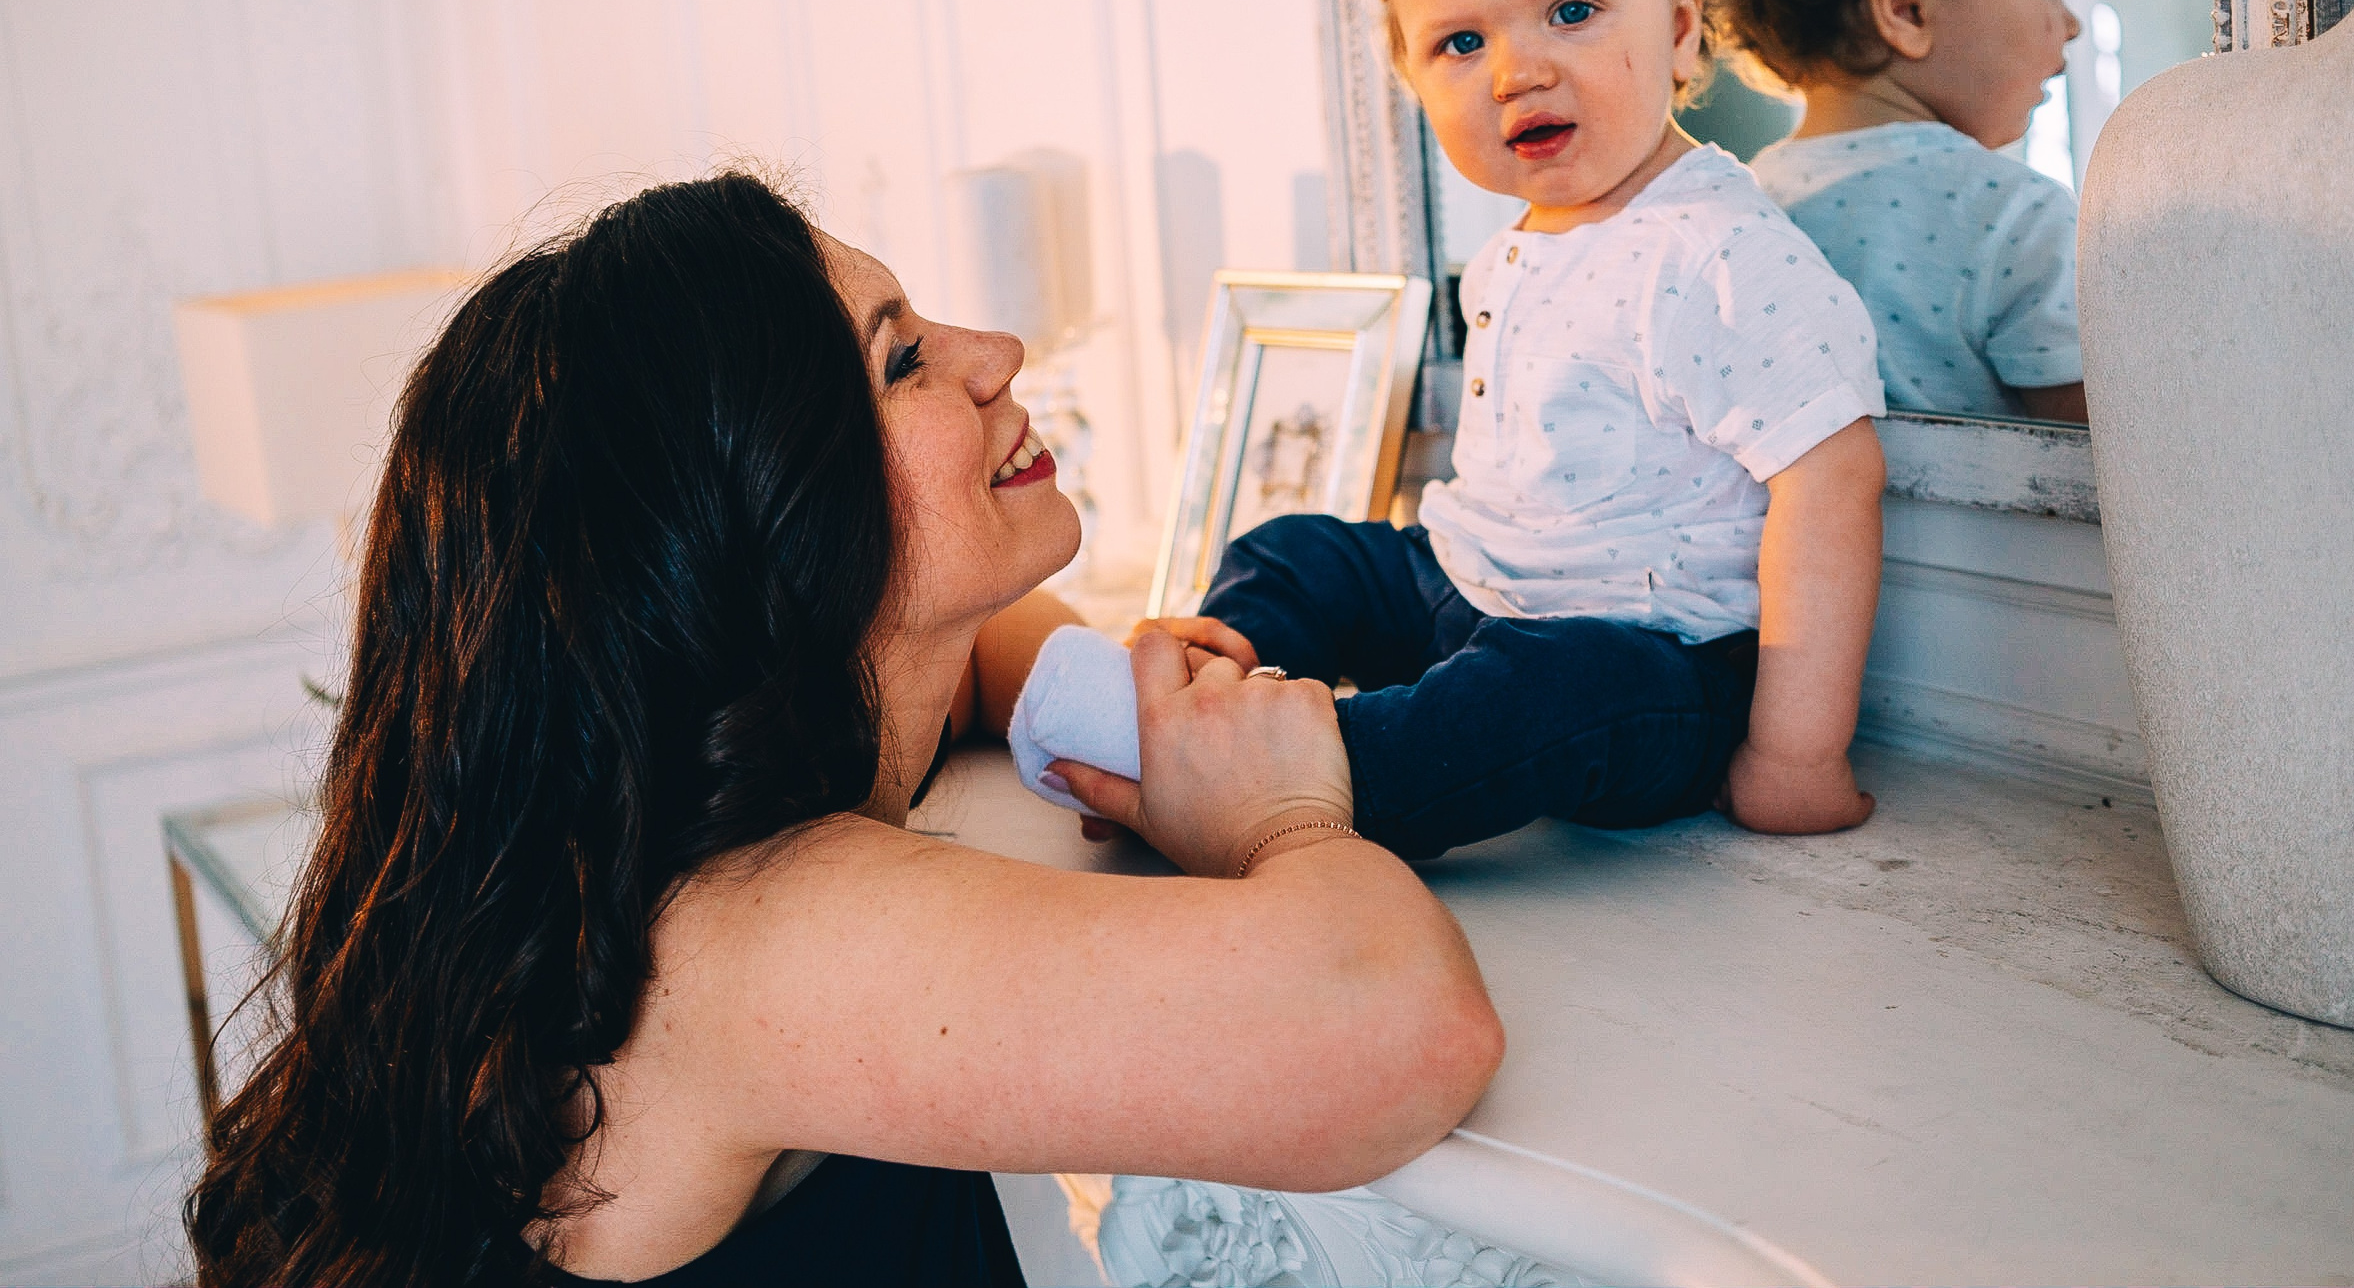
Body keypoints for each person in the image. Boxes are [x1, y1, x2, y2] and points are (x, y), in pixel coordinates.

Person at [184, 174, 1502, 1287]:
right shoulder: (749, 933)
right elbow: (1397, 1026)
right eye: (903, 358)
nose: (996, 354)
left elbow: (987, 639)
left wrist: (1131, 721)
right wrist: (1277, 811)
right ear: (775, 520)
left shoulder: (687, 791)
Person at [1025, 0, 1887, 847]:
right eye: (1461, 42)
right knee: (1301, 551)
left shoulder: (1713, 247)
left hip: (1646, 660)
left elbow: (1833, 474)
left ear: (1679, 27)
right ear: (1410, 70)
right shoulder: (1524, 242)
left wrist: (1792, 753)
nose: (1517, 70)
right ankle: (1201, 696)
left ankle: (1288, 778)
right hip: (1467, 588)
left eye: (1571, 13)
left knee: (1540, 695)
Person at [1708, 0, 2089, 423]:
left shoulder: (1737, 220)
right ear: (1907, 4)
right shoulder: (2015, 222)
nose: (2071, 22)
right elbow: (2134, 481)